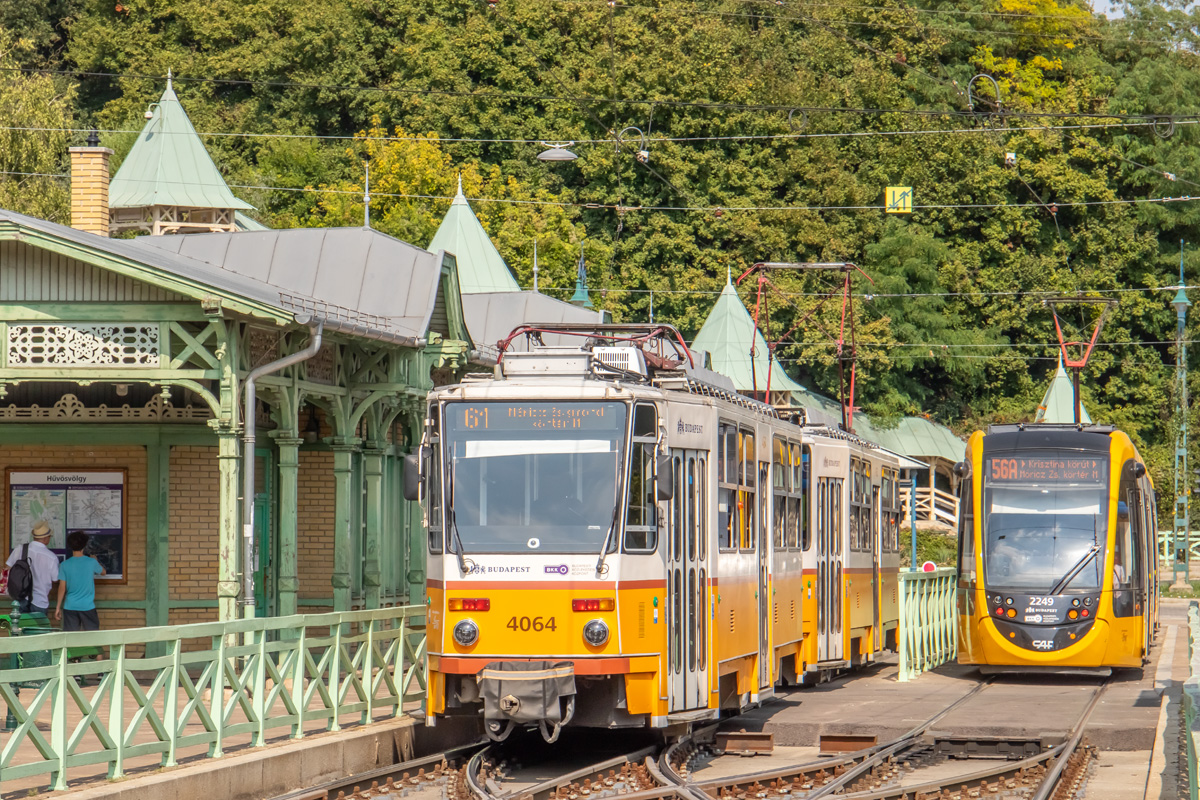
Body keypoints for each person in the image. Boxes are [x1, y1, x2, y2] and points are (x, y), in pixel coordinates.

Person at [5, 520, 60, 616]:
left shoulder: (20, 549)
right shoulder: (51, 557)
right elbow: (55, 579)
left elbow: (7, 569)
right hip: (40, 601)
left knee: (20, 629)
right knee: (39, 630)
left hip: (20, 597)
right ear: (45, 538)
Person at [55, 530, 105, 631]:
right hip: (88, 607)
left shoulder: (64, 565)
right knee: (92, 638)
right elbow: (103, 572)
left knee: (71, 639)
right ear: (84, 545)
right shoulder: (91, 562)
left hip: (70, 606)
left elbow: (62, 588)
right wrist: (95, 560)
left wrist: (57, 607)